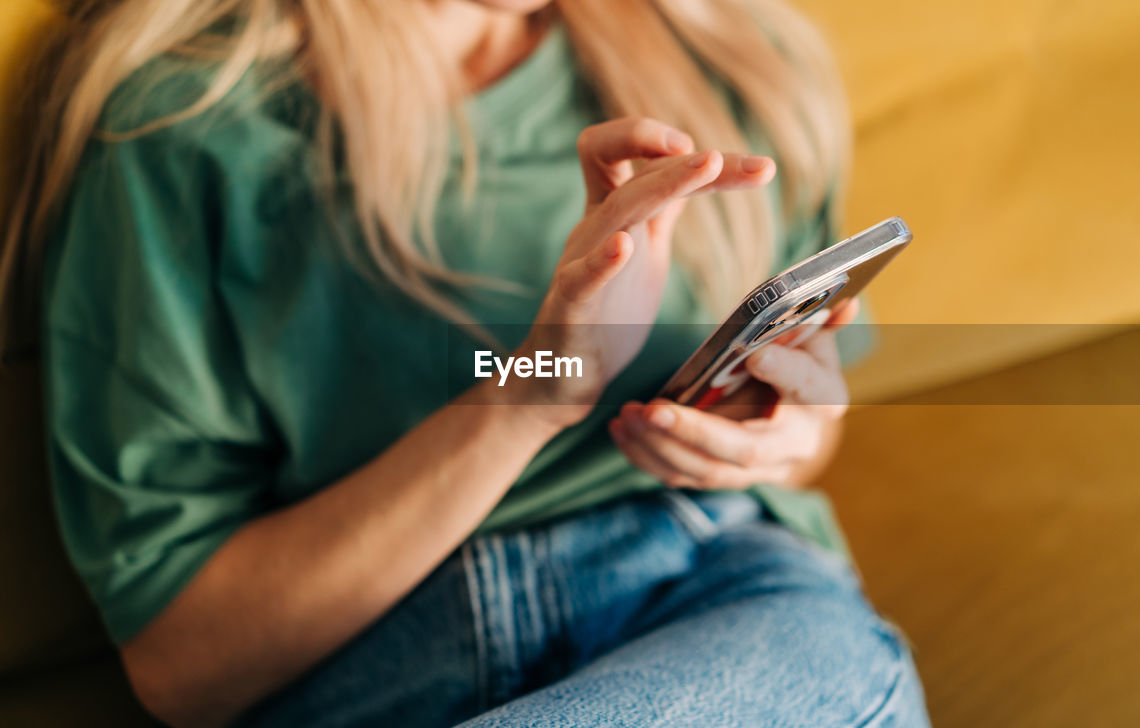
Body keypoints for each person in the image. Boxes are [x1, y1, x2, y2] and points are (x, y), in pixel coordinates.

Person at [1, 0, 930, 725]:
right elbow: (184, 667)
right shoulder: (181, 125)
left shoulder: (731, 52)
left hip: (712, 589)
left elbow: (807, 437)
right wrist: (530, 394)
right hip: (373, 668)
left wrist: (781, 434)